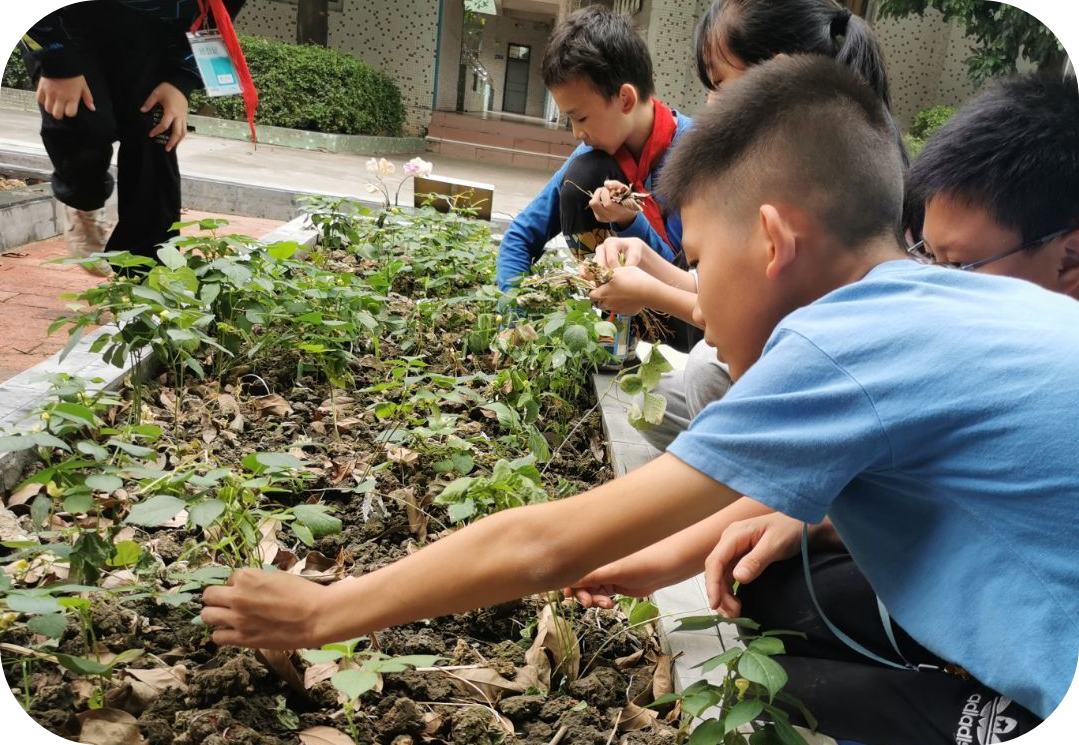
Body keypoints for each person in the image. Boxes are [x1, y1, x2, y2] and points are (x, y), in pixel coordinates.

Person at [202, 58, 1074, 743]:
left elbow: (542, 541)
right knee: (773, 591)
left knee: (793, 698)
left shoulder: (834, 343)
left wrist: (324, 611)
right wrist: (655, 560)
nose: (689, 280)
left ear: (770, 240)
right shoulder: (941, 302)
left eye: (695, 255)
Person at [589, 0, 904, 449]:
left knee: (703, 367)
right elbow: (722, 290)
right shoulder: (802, 164)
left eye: (719, 84)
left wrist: (648, 291)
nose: (709, 104)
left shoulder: (804, 187)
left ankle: (738, 473)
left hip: (810, 386)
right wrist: (646, 262)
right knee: (652, 401)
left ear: (774, 79)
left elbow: (739, 310)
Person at [19, 0, 246, 275]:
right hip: (68, 22)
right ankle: (83, 199)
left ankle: (146, 277)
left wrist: (181, 80)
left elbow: (217, 14)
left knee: (156, 132)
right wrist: (55, 60)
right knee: (86, 123)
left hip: (155, 32)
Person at [494, 5, 692, 293]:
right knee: (581, 177)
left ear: (625, 99)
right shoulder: (594, 152)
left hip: (684, 315)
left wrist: (630, 221)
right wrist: (513, 312)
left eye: (581, 118)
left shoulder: (698, 154)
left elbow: (685, 277)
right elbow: (521, 235)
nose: (577, 133)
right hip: (617, 303)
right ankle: (601, 309)